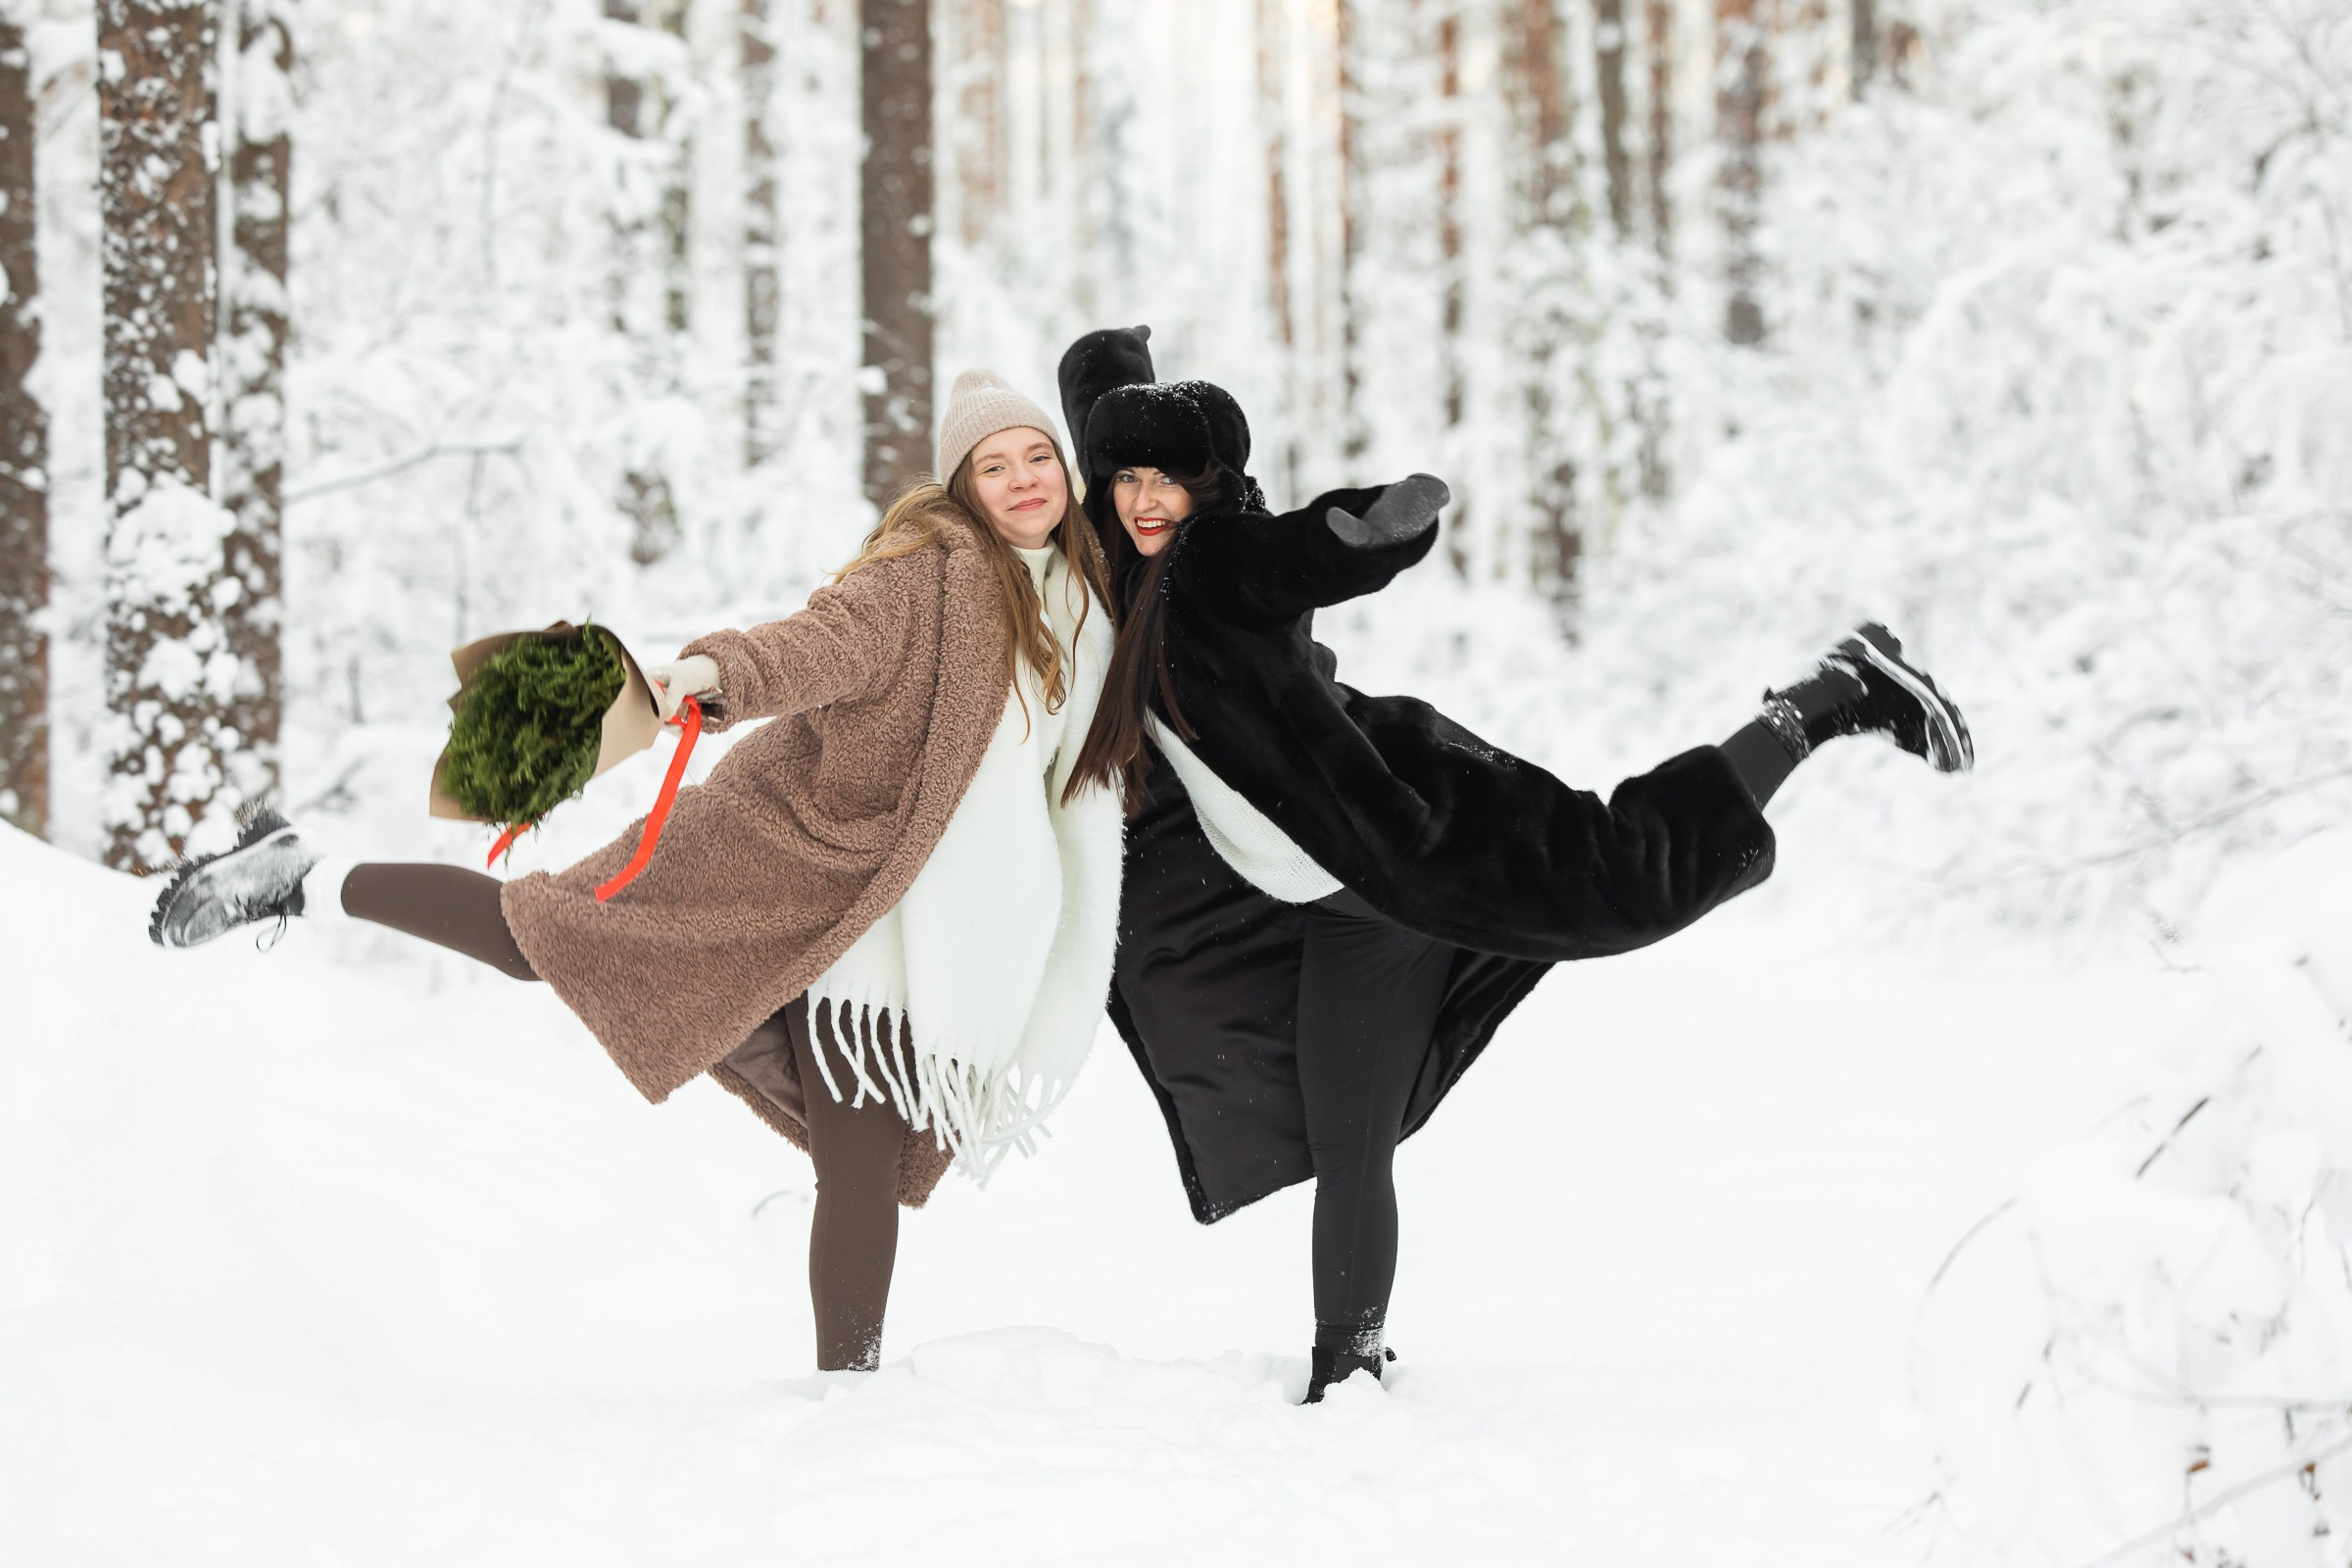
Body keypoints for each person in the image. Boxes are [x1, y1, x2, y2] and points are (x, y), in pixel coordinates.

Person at [1056, 325, 1974, 1401]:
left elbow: (1292, 557)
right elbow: (1093, 450)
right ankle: (1345, 1375)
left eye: (1176, 478)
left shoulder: (1214, 561)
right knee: (1354, 1143)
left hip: (1419, 833)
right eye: (1129, 478)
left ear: (1220, 486)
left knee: (1628, 876)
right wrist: (1110, 365)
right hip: (1335, 909)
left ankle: (1826, 699)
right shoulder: (1117, 564)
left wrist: (1362, 532)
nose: (1149, 498)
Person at [147, 370, 1126, 1373]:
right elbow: (817, 643)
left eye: (1037, 457)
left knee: (863, 1168)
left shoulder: (1082, 610)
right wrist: (711, 677)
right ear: (961, 487)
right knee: (540, 937)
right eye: (993, 466)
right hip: (774, 857)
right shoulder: (929, 573)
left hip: (899, 928)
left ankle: (850, 1397)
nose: (1021, 481)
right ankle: (305, 874)